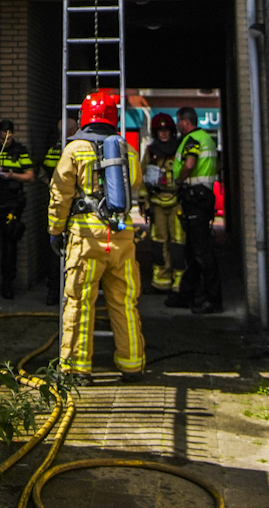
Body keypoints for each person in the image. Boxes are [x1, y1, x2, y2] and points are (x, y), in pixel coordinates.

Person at [48, 90, 145, 379]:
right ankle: (132, 364)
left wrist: (55, 230)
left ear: (84, 117)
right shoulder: (127, 149)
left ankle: (76, 368)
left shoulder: (74, 149)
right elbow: (135, 183)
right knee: (124, 302)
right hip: (121, 236)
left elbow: (60, 194)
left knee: (80, 302)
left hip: (86, 238)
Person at [173, 106, 223, 314]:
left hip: (196, 198)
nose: (178, 125)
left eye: (179, 121)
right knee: (193, 250)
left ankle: (213, 300)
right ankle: (187, 294)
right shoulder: (206, 138)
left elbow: (189, 164)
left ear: (185, 122)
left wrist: (178, 181)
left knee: (202, 252)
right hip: (203, 197)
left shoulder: (192, 140)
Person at [140, 112, 185, 294]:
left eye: (166, 130)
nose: (164, 133)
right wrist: (143, 202)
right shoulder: (150, 152)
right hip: (157, 203)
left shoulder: (180, 149)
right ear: (155, 132)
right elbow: (142, 177)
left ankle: (180, 282)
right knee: (159, 242)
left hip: (177, 202)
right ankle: (161, 281)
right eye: (160, 130)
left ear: (172, 131)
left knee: (178, 242)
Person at [0, 119, 34, 300]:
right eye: (2, 139)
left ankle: (8, 284)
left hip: (13, 203)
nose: (5, 142)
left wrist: (12, 175)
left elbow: (30, 176)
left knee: (9, 245)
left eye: (8, 139)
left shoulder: (19, 151)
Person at [38, 114, 80, 305]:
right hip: (75, 208)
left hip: (56, 206)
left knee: (56, 248)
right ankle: (69, 292)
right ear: (72, 131)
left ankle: (53, 293)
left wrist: (52, 187)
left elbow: (44, 173)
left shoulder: (54, 150)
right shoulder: (77, 149)